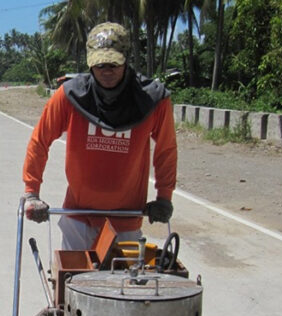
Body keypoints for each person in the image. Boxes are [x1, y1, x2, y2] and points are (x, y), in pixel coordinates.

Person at [21, 22, 177, 250]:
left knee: (123, 283)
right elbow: (40, 140)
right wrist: (32, 192)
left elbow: (166, 149)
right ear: (90, 62)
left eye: (113, 63)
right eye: (100, 63)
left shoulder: (152, 100)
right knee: (72, 280)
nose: (107, 70)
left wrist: (164, 197)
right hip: (79, 217)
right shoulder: (70, 96)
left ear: (126, 58)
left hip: (127, 220)